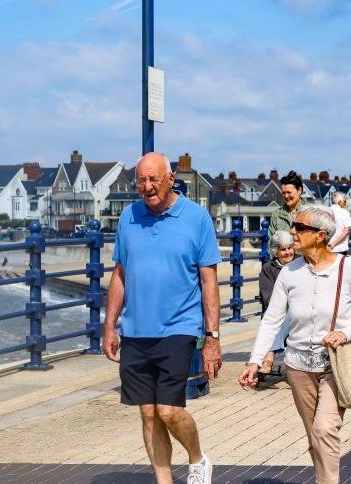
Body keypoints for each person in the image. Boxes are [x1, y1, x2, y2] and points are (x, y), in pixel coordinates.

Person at [101, 152, 223, 484]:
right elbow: (120, 274)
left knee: (168, 410)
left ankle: (197, 459)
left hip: (179, 327)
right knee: (148, 413)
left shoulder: (196, 218)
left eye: (154, 179)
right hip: (136, 329)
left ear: (170, 179)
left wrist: (212, 338)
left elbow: (208, 280)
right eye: (141, 180)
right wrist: (110, 325)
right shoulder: (129, 217)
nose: (148, 186)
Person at [238, 205, 351, 484]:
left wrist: (347, 333)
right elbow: (271, 321)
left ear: (321, 235)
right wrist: (255, 361)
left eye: (300, 228)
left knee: (325, 429)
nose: (293, 232)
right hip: (298, 368)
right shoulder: (289, 273)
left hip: (335, 365)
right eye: (294, 226)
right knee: (314, 435)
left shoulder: (347, 267)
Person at [257, 230, 300, 372]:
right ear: (275, 252)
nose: (288, 252)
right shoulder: (268, 269)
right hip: (276, 311)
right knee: (284, 315)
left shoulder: (302, 264)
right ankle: (271, 353)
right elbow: (268, 298)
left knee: (294, 311)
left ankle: (269, 355)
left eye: (290, 248)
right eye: (283, 249)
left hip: (300, 311)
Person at [269, 171, 304, 237]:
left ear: (299, 190)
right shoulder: (276, 215)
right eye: (283, 193)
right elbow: (271, 242)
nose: (286, 196)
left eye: (289, 192)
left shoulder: (310, 212)